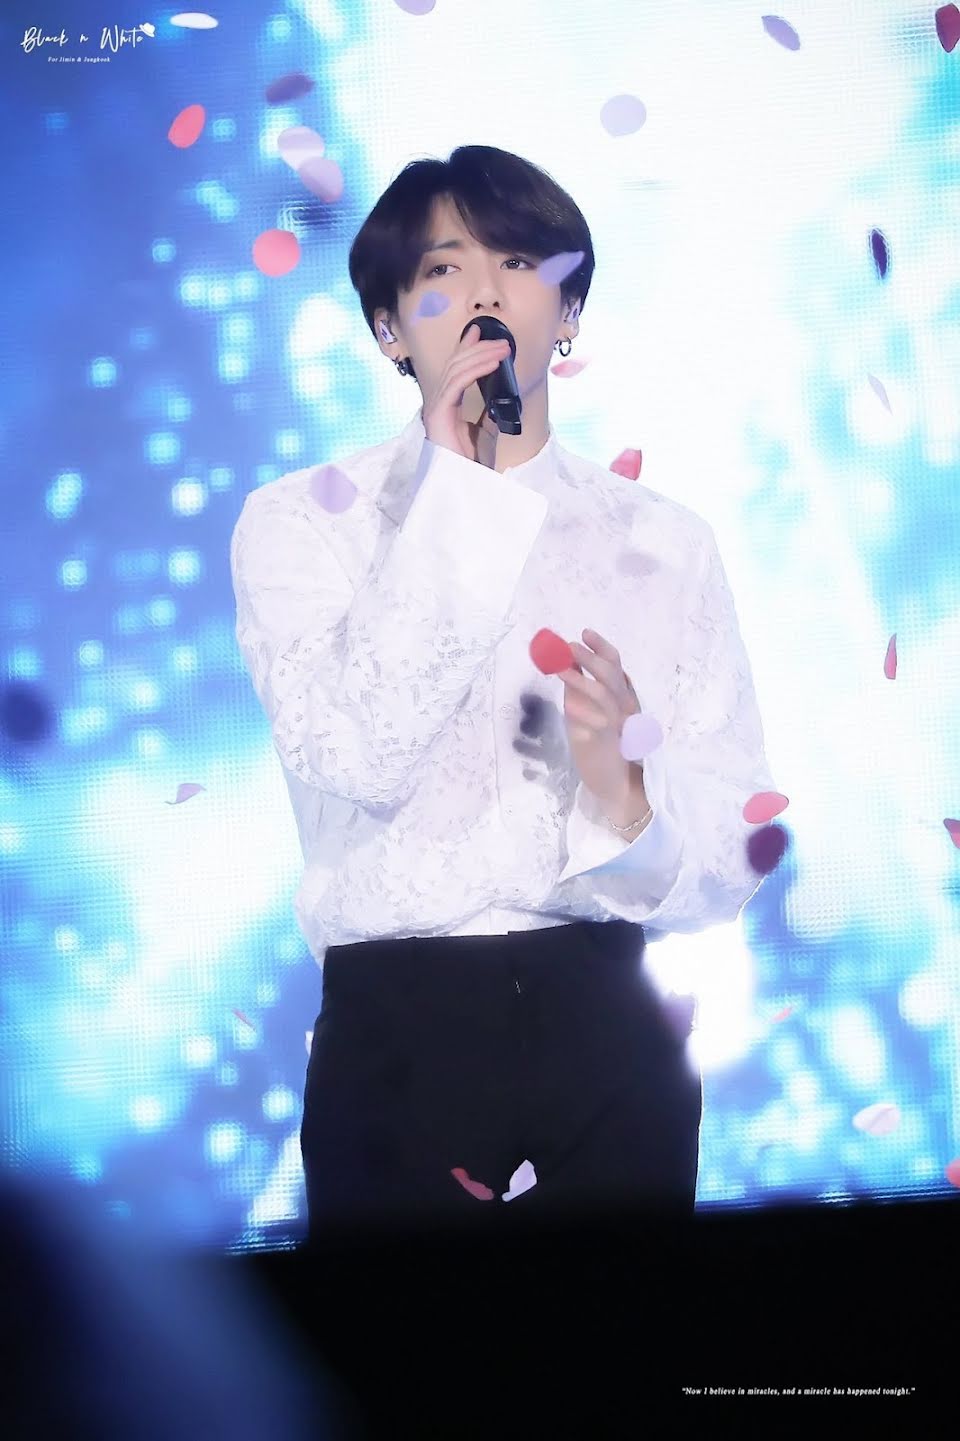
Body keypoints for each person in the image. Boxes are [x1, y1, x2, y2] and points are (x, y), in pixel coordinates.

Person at [230, 144, 779, 1244]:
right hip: (399, 1031)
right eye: (444, 271)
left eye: (519, 262)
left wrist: (630, 803)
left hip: (610, 1022)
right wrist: (458, 490)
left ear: (567, 314)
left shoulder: (662, 541)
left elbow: (738, 848)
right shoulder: (303, 524)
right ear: (390, 328)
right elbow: (354, 750)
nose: (484, 292)